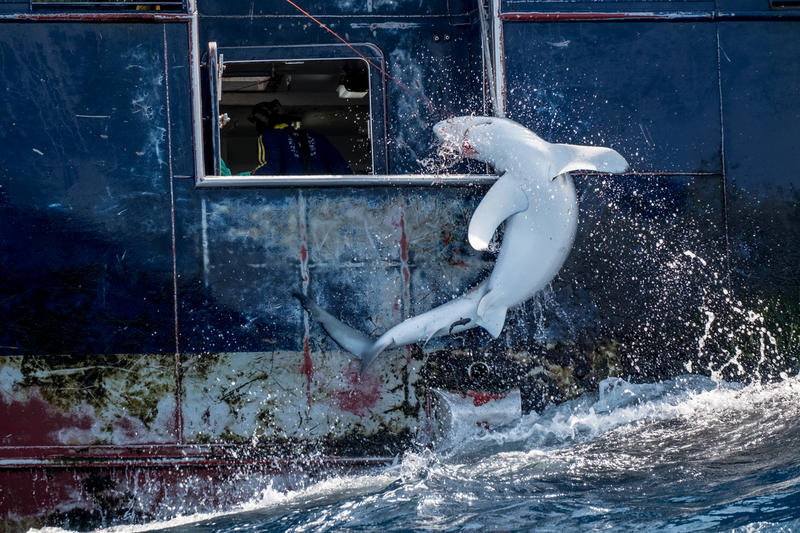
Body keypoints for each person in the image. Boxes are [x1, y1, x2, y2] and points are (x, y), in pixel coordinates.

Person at [247, 100, 352, 175]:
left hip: (292, 199)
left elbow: (271, 170)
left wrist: (249, 176)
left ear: (261, 123)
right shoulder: (317, 137)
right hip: (321, 199)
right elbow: (343, 170)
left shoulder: (269, 136)